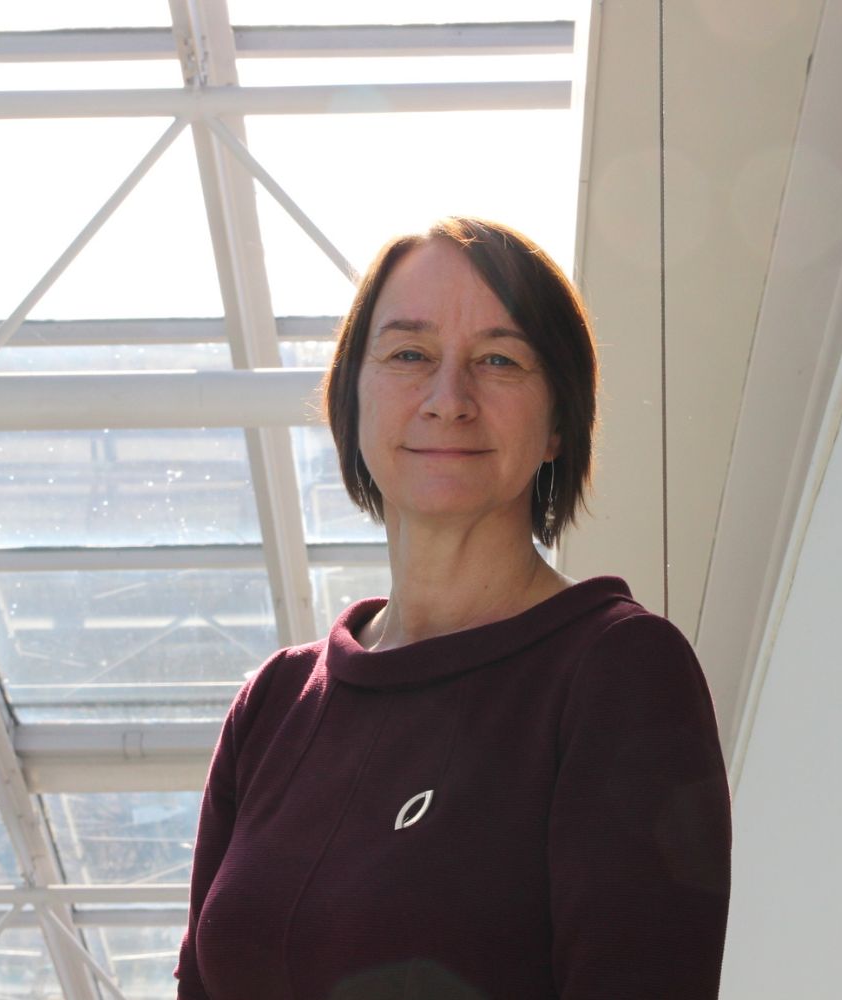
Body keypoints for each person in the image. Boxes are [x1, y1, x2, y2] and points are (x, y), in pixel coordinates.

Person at [175, 217, 731, 999]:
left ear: (558, 426)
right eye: (409, 354)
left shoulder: (617, 675)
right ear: (351, 397)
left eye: (498, 361)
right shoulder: (274, 702)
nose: (448, 399)